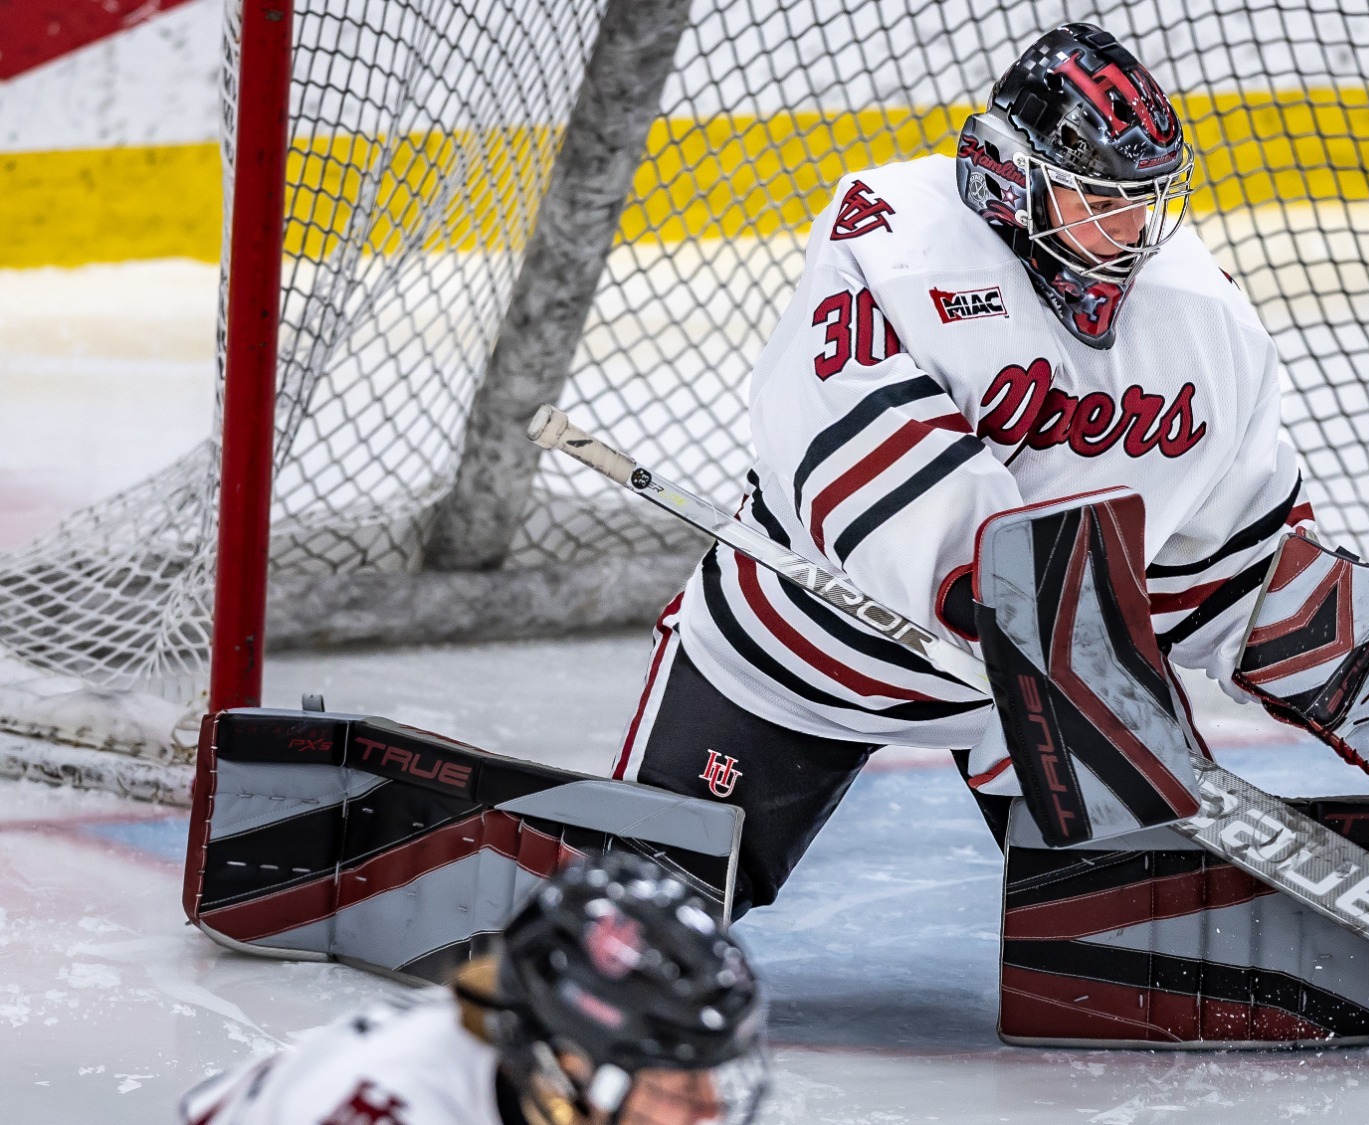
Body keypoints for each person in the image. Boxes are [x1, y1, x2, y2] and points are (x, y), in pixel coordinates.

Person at [613, 23, 1308, 911]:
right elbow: (859, 458)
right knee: (642, 908)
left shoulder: (1199, 314)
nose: (1134, 229)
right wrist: (1018, 602)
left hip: (1058, 675)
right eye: (1100, 198)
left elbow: (1230, 542)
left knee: (1152, 919)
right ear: (1012, 178)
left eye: (1147, 198)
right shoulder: (897, 244)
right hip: (814, 646)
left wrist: (1341, 632)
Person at [179, 852, 769, 1125]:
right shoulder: (410, 1099)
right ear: (568, 1057)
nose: (709, 1108)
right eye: (679, 1078)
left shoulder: (522, 1066)